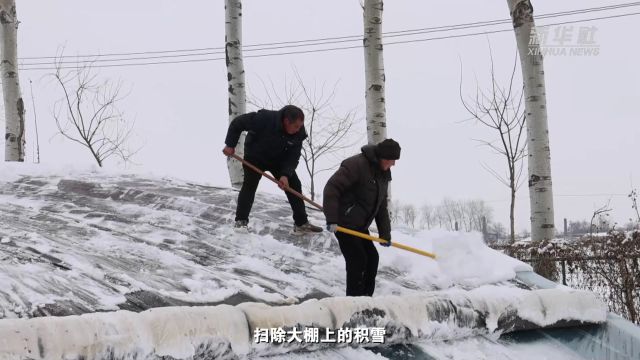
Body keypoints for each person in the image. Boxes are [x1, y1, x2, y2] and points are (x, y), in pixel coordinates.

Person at [223, 105, 323, 234]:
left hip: (279, 160)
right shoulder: (264, 118)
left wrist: (285, 175)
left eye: (300, 126)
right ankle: (241, 222)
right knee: (249, 186)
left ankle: (301, 224)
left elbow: (293, 156)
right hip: (255, 157)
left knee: (294, 185)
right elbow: (238, 123)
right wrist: (230, 145)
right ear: (287, 121)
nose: (299, 129)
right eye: (296, 126)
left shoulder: (299, 132)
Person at [323, 139, 401, 296]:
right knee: (358, 260)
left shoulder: (383, 174)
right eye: (391, 160)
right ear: (382, 157)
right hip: (344, 224)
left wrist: (385, 234)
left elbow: (381, 206)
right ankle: (353, 302)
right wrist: (332, 219)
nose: (393, 164)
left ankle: (365, 300)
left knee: (372, 259)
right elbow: (332, 188)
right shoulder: (356, 165)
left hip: (360, 226)